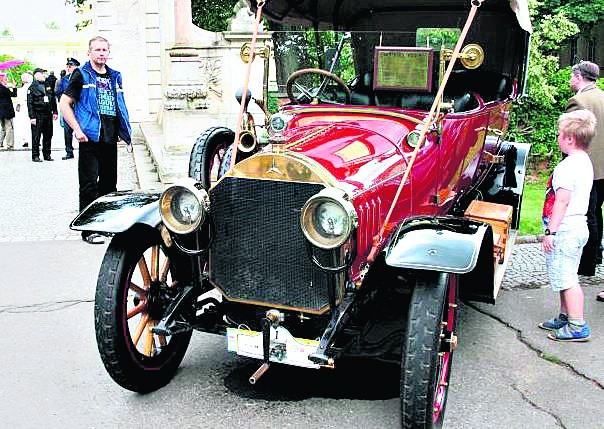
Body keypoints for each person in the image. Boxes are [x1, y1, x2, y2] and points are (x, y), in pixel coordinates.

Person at [60, 36, 132, 244]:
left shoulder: (114, 76)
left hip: (109, 137)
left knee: (109, 184)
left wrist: (124, 131)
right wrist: (76, 129)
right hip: (89, 138)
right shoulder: (81, 75)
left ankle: (107, 225)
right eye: (97, 50)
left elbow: (120, 105)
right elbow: (64, 103)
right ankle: (89, 229)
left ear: (109, 52)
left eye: (104, 50)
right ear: (89, 53)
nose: (101, 53)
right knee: (89, 185)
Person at [539, 109, 596, 342]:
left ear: (570, 138)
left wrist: (551, 232)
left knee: (568, 279)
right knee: (565, 274)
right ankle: (564, 315)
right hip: (578, 227)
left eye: (559, 134)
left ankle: (577, 326)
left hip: (566, 229)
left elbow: (561, 201)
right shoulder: (584, 161)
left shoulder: (567, 166)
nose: (557, 138)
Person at [566, 62, 604, 298]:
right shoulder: (602, 96)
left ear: (579, 76)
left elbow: (571, 139)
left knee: (588, 214)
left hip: (588, 168)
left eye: (572, 75)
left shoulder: (578, 102)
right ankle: (596, 255)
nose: (570, 80)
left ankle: (587, 263)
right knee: (596, 213)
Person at [27, 68, 58, 162]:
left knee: (48, 135)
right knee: (36, 136)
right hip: (37, 114)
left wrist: (55, 111)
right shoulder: (32, 88)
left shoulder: (47, 85)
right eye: (42, 74)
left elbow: (52, 99)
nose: (44, 75)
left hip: (48, 114)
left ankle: (47, 154)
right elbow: (30, 103)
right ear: (36, 75)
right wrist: (32, 117)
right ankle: (35, 155)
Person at [55, 58, 80, 160]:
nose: (69, 68)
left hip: (79, 108)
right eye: (68, 66)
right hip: (68, 108)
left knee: (83, 128)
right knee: (67, 131)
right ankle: (69, 151)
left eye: (71, 66)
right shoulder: (64, 79)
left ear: (76, 67)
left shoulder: (81, 78)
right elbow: (58, 92)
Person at [15, 72, 32, 148]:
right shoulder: (31, 86)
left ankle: (26, 140)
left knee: (25, 124)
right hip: (28, 107)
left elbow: (19, 99)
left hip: (24, 107)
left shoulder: (24, 88)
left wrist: (18, 105)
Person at [0, 72, 17, 150]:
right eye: (5, 79)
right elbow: (13, 94)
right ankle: (10, 145)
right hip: (7, 111)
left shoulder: (3, 88)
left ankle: (0, 142)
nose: (6, 80)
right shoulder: (4, 89)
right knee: (9, 128)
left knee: (3, 128)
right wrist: (14, 86)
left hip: (1, 112)